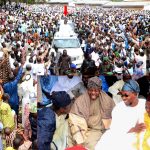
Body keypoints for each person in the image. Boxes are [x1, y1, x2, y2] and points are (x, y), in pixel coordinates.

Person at [95, 79, 146, 150]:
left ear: (135, 94)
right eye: (122, 95)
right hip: (123, 137)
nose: (123, 98)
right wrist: (132, 129)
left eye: (126, 95)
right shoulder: (119, 108)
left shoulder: (145, 105)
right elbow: (115, 129)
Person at [69, 76, 115, 150]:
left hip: (102, 130)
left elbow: (115, 117)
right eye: (91, 90)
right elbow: (75, 119)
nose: (93, 93)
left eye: (96, 91)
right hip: (87, 129)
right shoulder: (80, 101)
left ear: (100, 90)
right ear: (87, 90)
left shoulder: (108, 100)